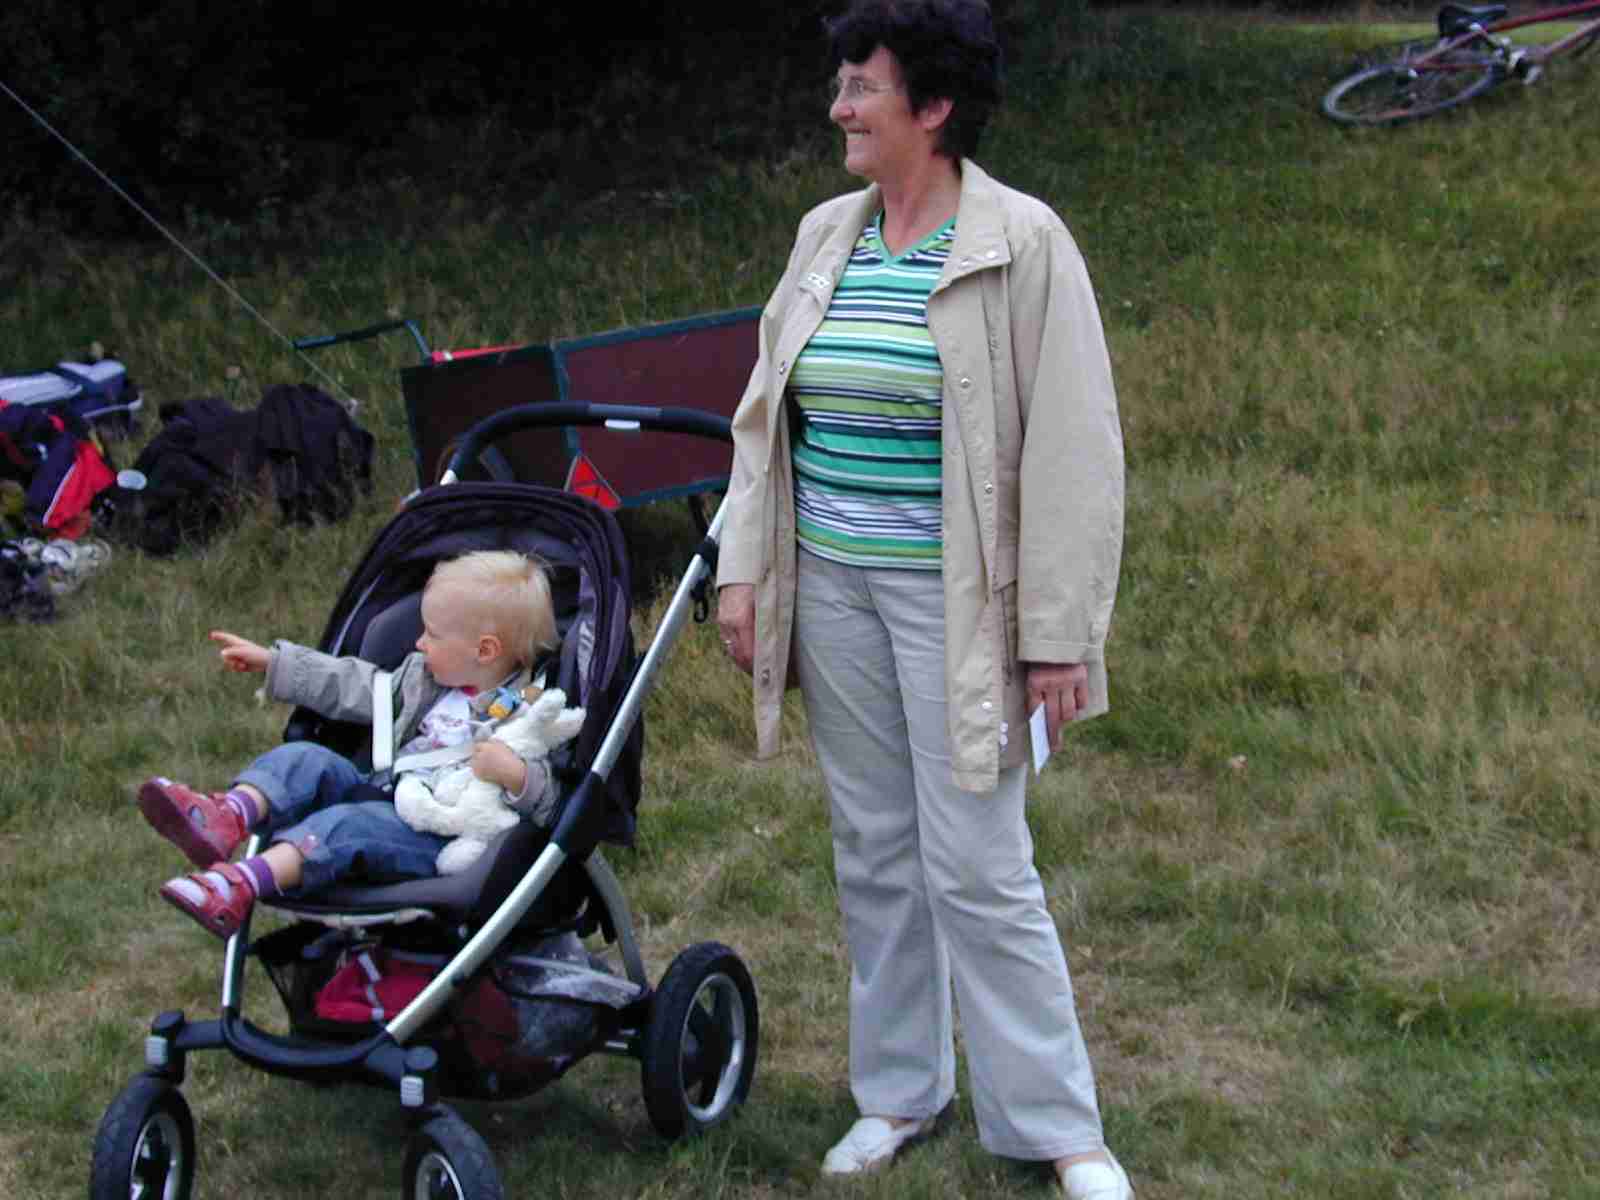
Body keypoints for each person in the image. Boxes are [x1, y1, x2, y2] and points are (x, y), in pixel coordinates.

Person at [714, 2, 1128, 1196]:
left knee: (979, 866)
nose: (839, 108)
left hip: (961, 604)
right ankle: (899, 1094)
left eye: (862, 88)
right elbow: (764, 417)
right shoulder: (825, 235)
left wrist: (1057, 637)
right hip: (832, 588)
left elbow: (1074, 450)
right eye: (842, 85)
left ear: (933, 107)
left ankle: (1059, 1129)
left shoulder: (1021, 242)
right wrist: (744, 567)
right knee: (875, 850)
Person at [137, 550, 562, 940]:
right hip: (383, 790)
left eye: (432, 634)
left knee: (344, 826)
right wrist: (276, 663)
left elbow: (554, 797)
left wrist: (515, 775)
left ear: (484, 650)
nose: (419, 643)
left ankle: (238, 885)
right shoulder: (421, 681)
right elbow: (349, 682)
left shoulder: (529, 711)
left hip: (433, 836)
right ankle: (226, 815)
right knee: (305, 758)